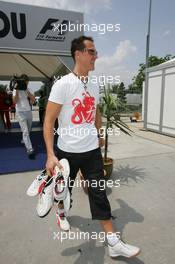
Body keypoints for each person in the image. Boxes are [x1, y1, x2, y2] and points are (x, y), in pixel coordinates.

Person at [43, 36, 140, 258]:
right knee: (63, 191)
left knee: (98, 193)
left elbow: (96, 111)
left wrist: (98, 134)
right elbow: (49, 121)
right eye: (92, 52)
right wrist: (50, 155)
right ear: (78, 54)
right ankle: (61, 212)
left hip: (91, 152)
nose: (96, 56)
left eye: (95, 52)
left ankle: (113, 242)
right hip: (66, 152)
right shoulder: (62, 84)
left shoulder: (94, 83)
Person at [12, 75, 35, 159]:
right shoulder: (15, 90)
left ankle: (24, 140)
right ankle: (30, 149)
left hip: (28, 111)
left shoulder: (29, 89)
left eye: (27, 82)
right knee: (25, 131)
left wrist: (27, 92)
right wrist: (17, 90)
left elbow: (33, 101)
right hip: (20, 112)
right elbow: (14, 101)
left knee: (28, 129)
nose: (26, 83)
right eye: (25, 82)